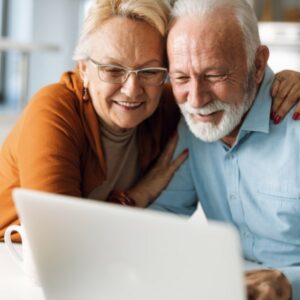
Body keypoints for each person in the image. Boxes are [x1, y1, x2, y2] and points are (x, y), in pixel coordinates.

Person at [0, 0, 298, 243]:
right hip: (17, 256)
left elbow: (223, 80)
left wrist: (283, 79)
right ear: (83, 71)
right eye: (112, 69)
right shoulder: (54, 113)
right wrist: (138, 195)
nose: (132, 89)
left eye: (150, 71)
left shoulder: (174, 105)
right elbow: (60, 242)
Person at [142, 0, 300, 299]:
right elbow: (160, 219)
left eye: (214, 75)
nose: (197, 99)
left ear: (257, 65)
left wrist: (289, 283)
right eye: (181, 78)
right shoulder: (195, 126)